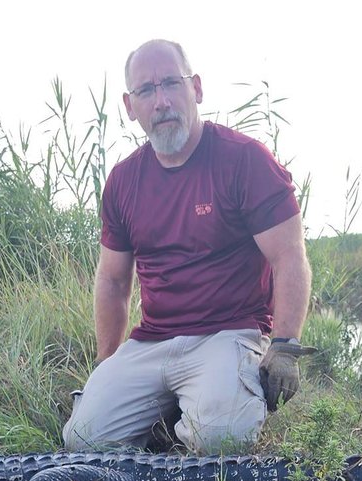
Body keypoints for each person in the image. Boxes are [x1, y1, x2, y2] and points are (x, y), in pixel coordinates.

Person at [62, 39, 313, 455]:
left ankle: (215, 405)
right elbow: (111, 280)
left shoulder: (245, 160)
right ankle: (169, 413)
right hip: (153, 340)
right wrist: (106, 366)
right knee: (82, 439)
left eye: (170, 84)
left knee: (221, 439)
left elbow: (290, 257)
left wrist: (284, 346)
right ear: (130, 106)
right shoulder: (123, 181)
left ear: (195, 88)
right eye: (145, 90)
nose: (161, 101)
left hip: (228, 332)